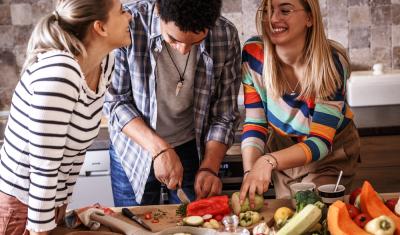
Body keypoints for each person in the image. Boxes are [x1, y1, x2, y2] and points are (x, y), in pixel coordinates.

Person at [0, 0, 131, 234]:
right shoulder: (60, 72)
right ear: (100, 27)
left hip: (46, 203)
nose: (129, 16)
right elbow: (44, 164)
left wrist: (62, 200)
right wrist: (41, 228)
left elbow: (75, 149)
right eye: (121, 11)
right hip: (19, 205)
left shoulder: (105, 64)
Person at [104, 0, 241, 206]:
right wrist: (160, 149)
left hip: (191, 147)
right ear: (158, 10)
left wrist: (209, 167)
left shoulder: (225, 35)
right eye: (173, 39)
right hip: (133, 148)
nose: (183, 50)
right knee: (133, 224)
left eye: (195, 43)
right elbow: (115, 101)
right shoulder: (127, 24)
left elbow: (224, 114)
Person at [239, 0, 360, 207]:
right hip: (282, 151)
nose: (273, 18)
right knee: (286, 216)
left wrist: (267, 161)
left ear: (309, 18)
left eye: (285, 10)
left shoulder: (330, 63)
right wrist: (251, 172)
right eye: (268, 11)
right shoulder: (253, 55)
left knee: (312, 213)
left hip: (328, 156)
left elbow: (320, 142)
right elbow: (255, 124)